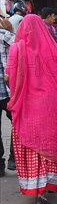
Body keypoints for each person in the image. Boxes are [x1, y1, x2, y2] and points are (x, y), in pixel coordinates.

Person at [5, 15, 57, 204]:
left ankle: (38, 189)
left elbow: (9, 75)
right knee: (49, 144)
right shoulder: (54, 50)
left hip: (28, 105)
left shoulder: (17, 49)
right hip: (52, 104)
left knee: (32, 145)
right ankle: (49, 184)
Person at [0, 13, 15, 176]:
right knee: (17, 124)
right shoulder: (5, 35)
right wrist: (11, 30)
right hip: (9, 89)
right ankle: (13, 158)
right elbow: (22, 46)